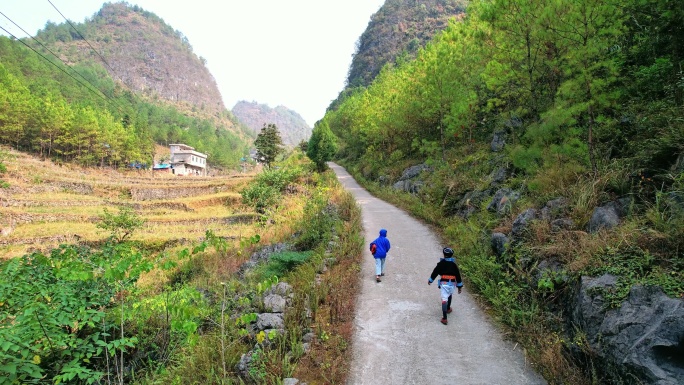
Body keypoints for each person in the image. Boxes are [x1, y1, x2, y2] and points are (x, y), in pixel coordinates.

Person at [428, 247, 463, 325]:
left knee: (444, 299)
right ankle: (448, 308)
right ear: (451, 255)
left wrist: (430, 280)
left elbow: (435, 272)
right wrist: (459, 287)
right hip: (452, 284)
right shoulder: (454, 265)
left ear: (444, 254)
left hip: (444, 284)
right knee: (449, 294)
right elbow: (458, 276)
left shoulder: (441, 264)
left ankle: (444, 318)